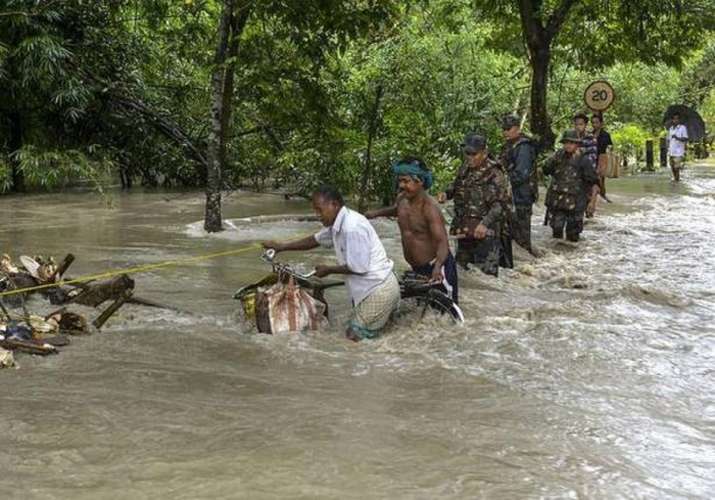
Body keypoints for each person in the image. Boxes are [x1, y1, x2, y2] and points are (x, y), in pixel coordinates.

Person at [262, 186, 399, 341]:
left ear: (334, 205)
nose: (317, 215)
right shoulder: (337, 224)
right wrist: (281, 247)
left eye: (320, 210)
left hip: (378, 289)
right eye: (315, 210)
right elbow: (314, 240)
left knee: (353, 336)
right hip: (374, 287)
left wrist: (329, 270)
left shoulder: (352, 227)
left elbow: (359, 267)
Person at [365, 157, 458, 303]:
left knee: (445, 312)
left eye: (406, 181)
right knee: (421, 311)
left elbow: (442, 243)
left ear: (420, 181)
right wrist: (375, 214)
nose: (401, 185)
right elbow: (397, 210)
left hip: (437, 267)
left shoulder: (430, 208)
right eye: (400, 180)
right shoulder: (402, 199)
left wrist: (438, 267)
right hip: (417, 268)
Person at [438, 134, 511, 276]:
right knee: (461, 275)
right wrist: (446, 194)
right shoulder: (465, 168)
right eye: (467, 153)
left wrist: (485, 224)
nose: (470, 157)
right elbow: (456, 186)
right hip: (464, 230)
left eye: (474, 154)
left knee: (485, 279)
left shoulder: (495, 173)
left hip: (486, 235)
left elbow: (500, 205)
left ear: (484, 153)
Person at [543, 129, 599, 242]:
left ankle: (573, 257)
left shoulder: (584, 159)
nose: (568, 145)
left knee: (573, 236)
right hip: (558, 201)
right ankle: (557, 258)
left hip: (577, 202)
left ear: (577, 144)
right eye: (566, 143)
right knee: (556, 233)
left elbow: (594, 183)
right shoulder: (557, 156)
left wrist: (592, 203)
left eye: (571, 143)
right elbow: (545, 170)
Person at [500, 114, 538, 254]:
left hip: (521, 197)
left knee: (521, 237)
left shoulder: (523, 147)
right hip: (511, 197)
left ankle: (528, 265)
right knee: (511, 235)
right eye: (503, 129)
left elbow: (521, 174)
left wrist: (502, 182)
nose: (505, 132)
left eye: (508, 129)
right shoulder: (509, 145)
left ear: (516, 128)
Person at [573, 112, 599, 218]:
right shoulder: (571, 137)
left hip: (586, 173)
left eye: (581, 124)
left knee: (588, 207)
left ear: (585, 125)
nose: (578, 126)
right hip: (572, 174)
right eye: (576, 124)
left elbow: (591, 160)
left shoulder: (590, 138)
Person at [667, 113, 689, 182]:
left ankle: (677, 180)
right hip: (671, 150)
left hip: (679, 151)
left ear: (679, 120)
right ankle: (675, 178)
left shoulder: (682, 128)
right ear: (672, 120)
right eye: (674, 119)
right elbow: (669, 139)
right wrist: (667, 147)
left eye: (677, 119)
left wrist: (677, 137)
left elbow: (685, 138)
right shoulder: (670, 128)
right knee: (672, 166)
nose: (675, 120)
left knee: (676, 167)